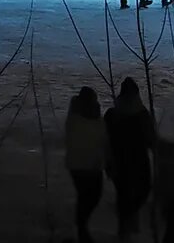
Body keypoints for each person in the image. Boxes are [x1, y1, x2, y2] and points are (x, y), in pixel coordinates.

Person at [105, 77, 157, 236]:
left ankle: (126, 225)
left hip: (123, 160)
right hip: (131, 160)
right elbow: (150, 139)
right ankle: (126, 225)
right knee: (135, 193)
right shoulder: (139, 114)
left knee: (128, 194)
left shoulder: (114, 113)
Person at [65, 86, 106, 243]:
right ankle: (81, 229)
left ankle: (81, 228)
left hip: (87, 164)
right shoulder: (79, 116)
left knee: (89, 197)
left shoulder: (84, 115)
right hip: (84, 165)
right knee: (89, 197)